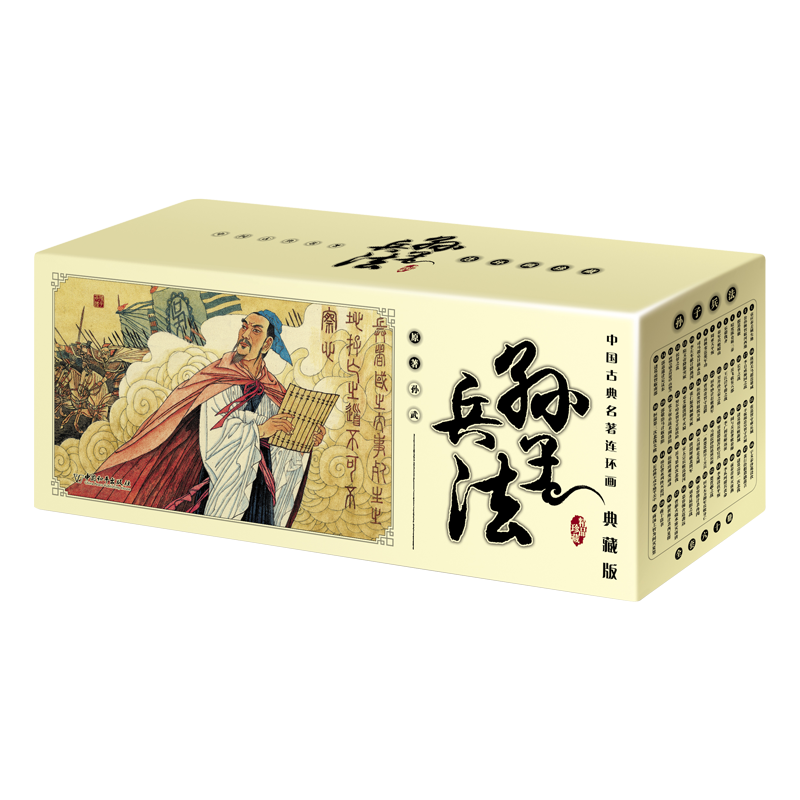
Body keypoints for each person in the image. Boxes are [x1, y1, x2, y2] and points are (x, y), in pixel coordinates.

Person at [67, 310, 325, 529]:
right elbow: (217, 431)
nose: (245, 334)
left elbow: (282, 432)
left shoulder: (272, 388)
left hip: (260, 483)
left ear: (267, 344)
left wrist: (305, 436)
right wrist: (260, 430)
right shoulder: (220, 376)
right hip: (224, 477)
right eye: (244, 326)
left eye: (255, 330)